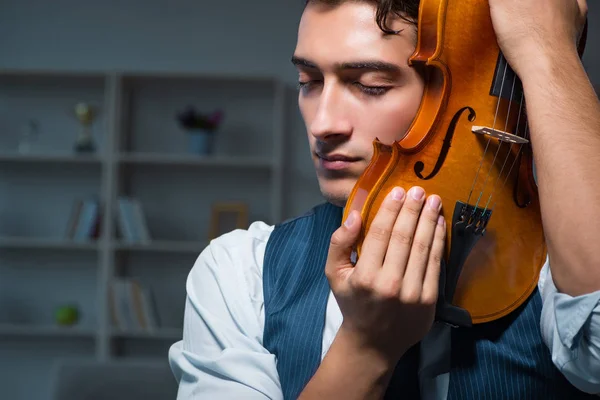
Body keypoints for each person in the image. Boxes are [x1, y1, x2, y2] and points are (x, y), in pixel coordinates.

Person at [168, 0, 600, 398]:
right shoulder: (240, 271)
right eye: (308, 82)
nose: (322, 124)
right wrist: (367, 347)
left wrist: (546, 51)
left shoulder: (560, 273)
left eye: (371, 85)